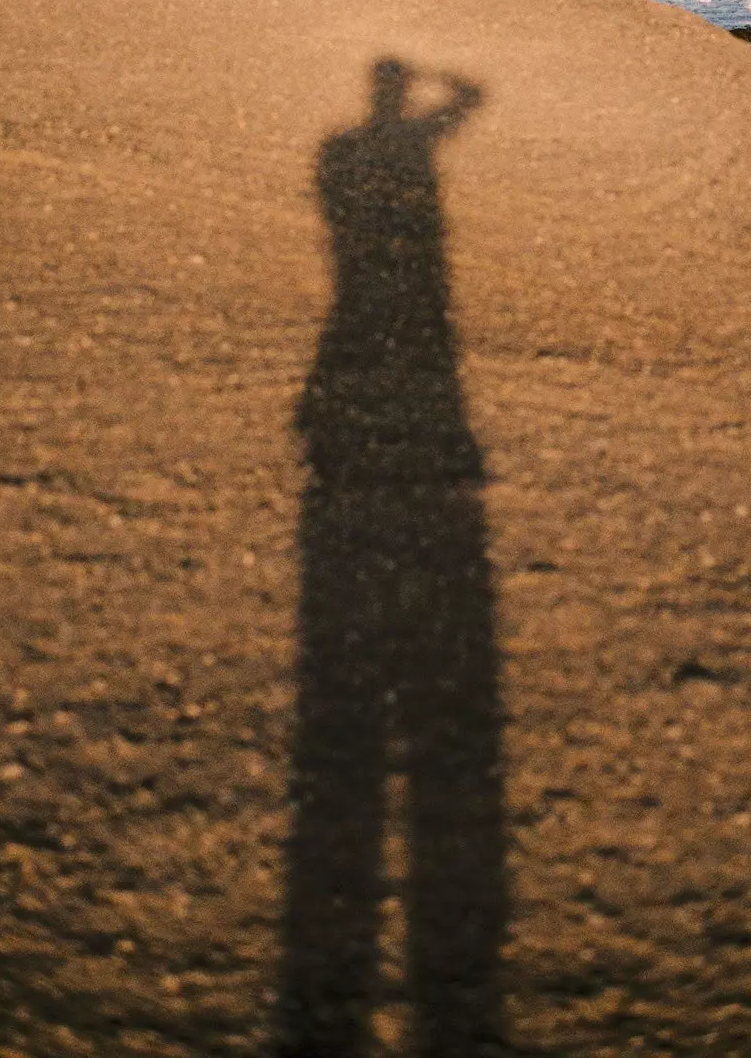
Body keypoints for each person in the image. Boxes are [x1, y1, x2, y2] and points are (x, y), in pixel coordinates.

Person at [280, 59, 505, 1056]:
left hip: (361, 336)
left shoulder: (342, 152)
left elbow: (439, 127)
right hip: (407, 338)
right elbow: (463, 110)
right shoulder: (389, 150)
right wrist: (440, 90)